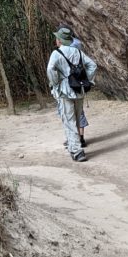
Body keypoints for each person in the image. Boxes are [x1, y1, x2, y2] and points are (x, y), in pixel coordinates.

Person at [47, 26, 97, 162]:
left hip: (64, 91)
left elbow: (51, 69)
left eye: (57, 38)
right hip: (78, 90)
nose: (56, 40)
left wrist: (56, 83)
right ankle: (73, 146)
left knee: (69, 121)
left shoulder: (56, 54)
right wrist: (88, 80)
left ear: (60, 40)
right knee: (75, 119)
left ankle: (77, 151)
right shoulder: (78, 52)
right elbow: (93, 65)